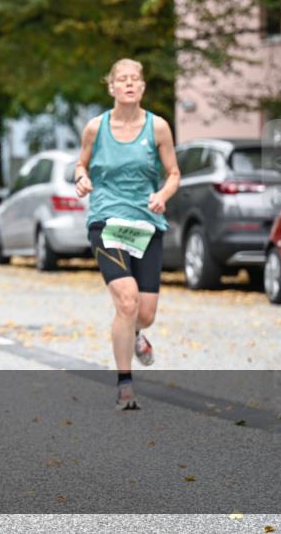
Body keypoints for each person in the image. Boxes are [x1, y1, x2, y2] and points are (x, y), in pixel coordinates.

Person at [74, 58, 180, 411]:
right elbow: (81, 164)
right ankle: (125, 384)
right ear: (112, 87)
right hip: (106, 224)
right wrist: (81, 179)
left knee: (145, 313)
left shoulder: (158, 128)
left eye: (135, 79)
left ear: (143, 87)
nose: (130, 84)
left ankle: (135, 333)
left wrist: (162, 195)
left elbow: (173, 174)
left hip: (146, 225)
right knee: (127, 300)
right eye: (123, 79)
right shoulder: (95, 128)